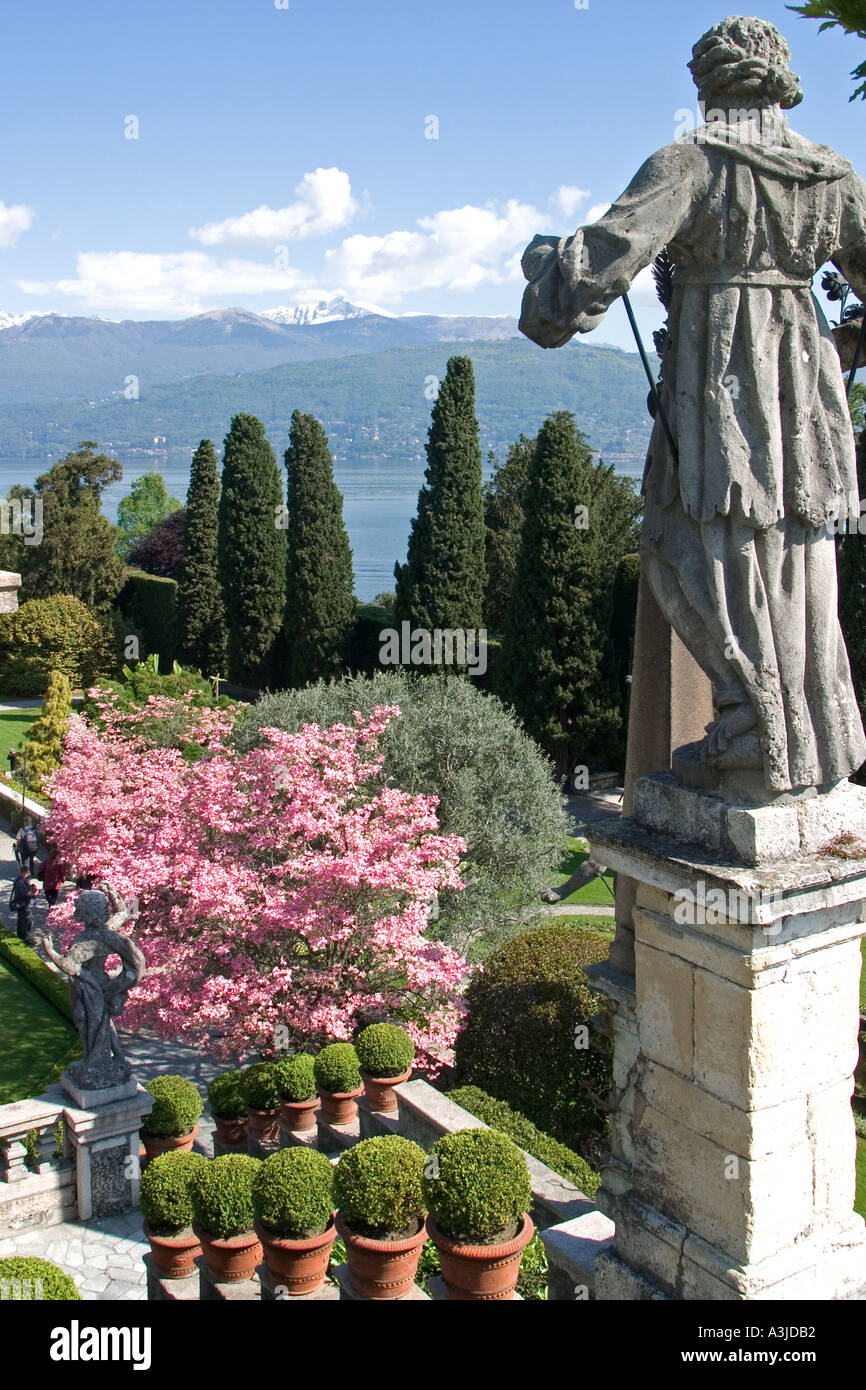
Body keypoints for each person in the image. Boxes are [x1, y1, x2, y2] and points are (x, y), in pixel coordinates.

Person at [519, 15, 866, 797]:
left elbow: (592, 272)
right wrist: (836, 348)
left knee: (689, 539)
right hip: (804, 381)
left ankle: (756, 736)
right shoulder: (834, 177)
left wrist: (545, 269)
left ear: (707, 84)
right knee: (797, 542)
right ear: (781, 83)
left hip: (721, 378)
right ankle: (814, 738)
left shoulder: (691, 163)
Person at [9, 864, 38, 943]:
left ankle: (20, 935)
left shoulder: (19, 880)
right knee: (27, 921)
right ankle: (26, 937)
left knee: (21, 920)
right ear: (24, 872)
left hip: (20, 904)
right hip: (23, 904)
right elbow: (27, 893)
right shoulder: (21, 882)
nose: (28, 874)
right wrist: (35, 893)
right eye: (27, 873)